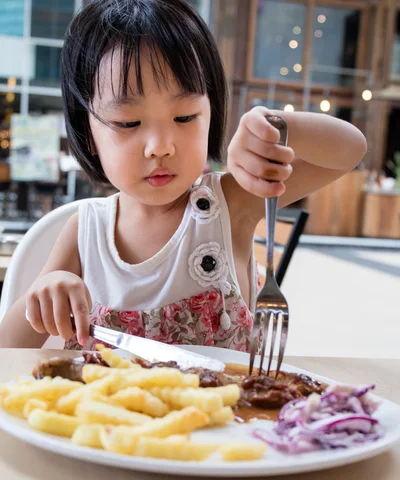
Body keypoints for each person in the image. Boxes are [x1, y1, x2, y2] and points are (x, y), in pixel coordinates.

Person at [0, 0, 367, 351]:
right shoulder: (85, 231)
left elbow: (349, 150)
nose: (160, 146)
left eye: (185, 117)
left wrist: (278, 129)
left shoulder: (230, 204)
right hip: (109, 417)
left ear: (211, 113)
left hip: (230, 416)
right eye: (129, 122)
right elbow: (8, 348)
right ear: (88, 134)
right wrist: (44, 294)